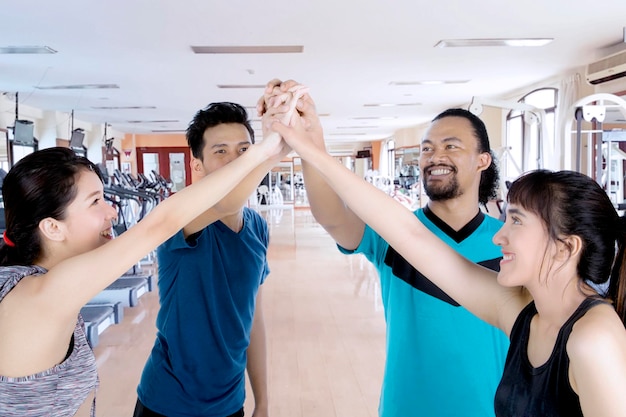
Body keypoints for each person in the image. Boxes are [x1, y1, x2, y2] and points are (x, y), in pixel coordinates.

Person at [271, 93, 626, 417]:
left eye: (516, 221)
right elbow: (410, 235)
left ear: (565, 247)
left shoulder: (593, 337)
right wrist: (309, 145)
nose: (500, 234)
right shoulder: (519, 313)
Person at [258, 82, 509, 417]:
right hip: (406, 407)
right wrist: (310, 138)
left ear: (483, 160)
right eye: (427, 148)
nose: (435, 156)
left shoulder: (511, 243)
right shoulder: (393, 232)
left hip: (491, 409)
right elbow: (332, 216)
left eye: (451, 146)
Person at [0, 130, 287, 417]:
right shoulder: (39, 299)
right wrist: (265, 151)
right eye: (95, 201)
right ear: (52, 227)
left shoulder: (33, 288)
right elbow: (163, 223)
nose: (112, 212)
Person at [134, 101, 293, 417]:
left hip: (229, 402)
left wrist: (262, 401)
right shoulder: (182, 216)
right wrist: (270, 151)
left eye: (243, 150)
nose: (237, 161)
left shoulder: (258, 228)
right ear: (198, 166)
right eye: (221, 152)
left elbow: (252, 320)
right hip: (167, 402)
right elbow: (224, 202)